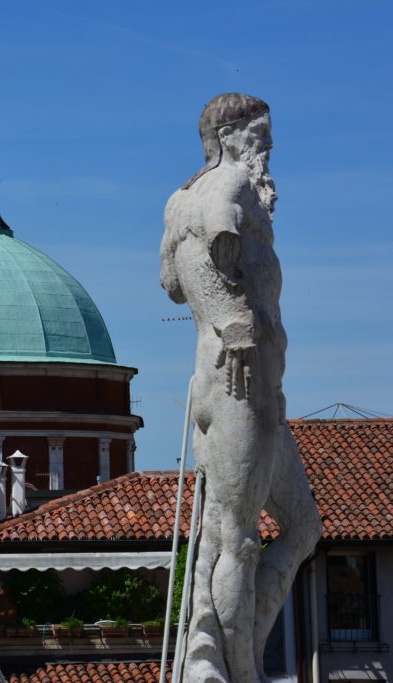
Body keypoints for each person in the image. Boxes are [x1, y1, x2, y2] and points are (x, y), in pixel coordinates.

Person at [160, 93, 321, 683]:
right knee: (237, 539)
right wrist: (239, 321)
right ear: (229, 136)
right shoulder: (233, 188)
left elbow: (170, 284)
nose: (269, 150)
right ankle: (240, 672)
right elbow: (221, 240)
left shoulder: (179, 199)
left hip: (235, 381)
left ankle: (216, 653)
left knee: (300, 528)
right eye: (261, 138)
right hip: (241, 379)